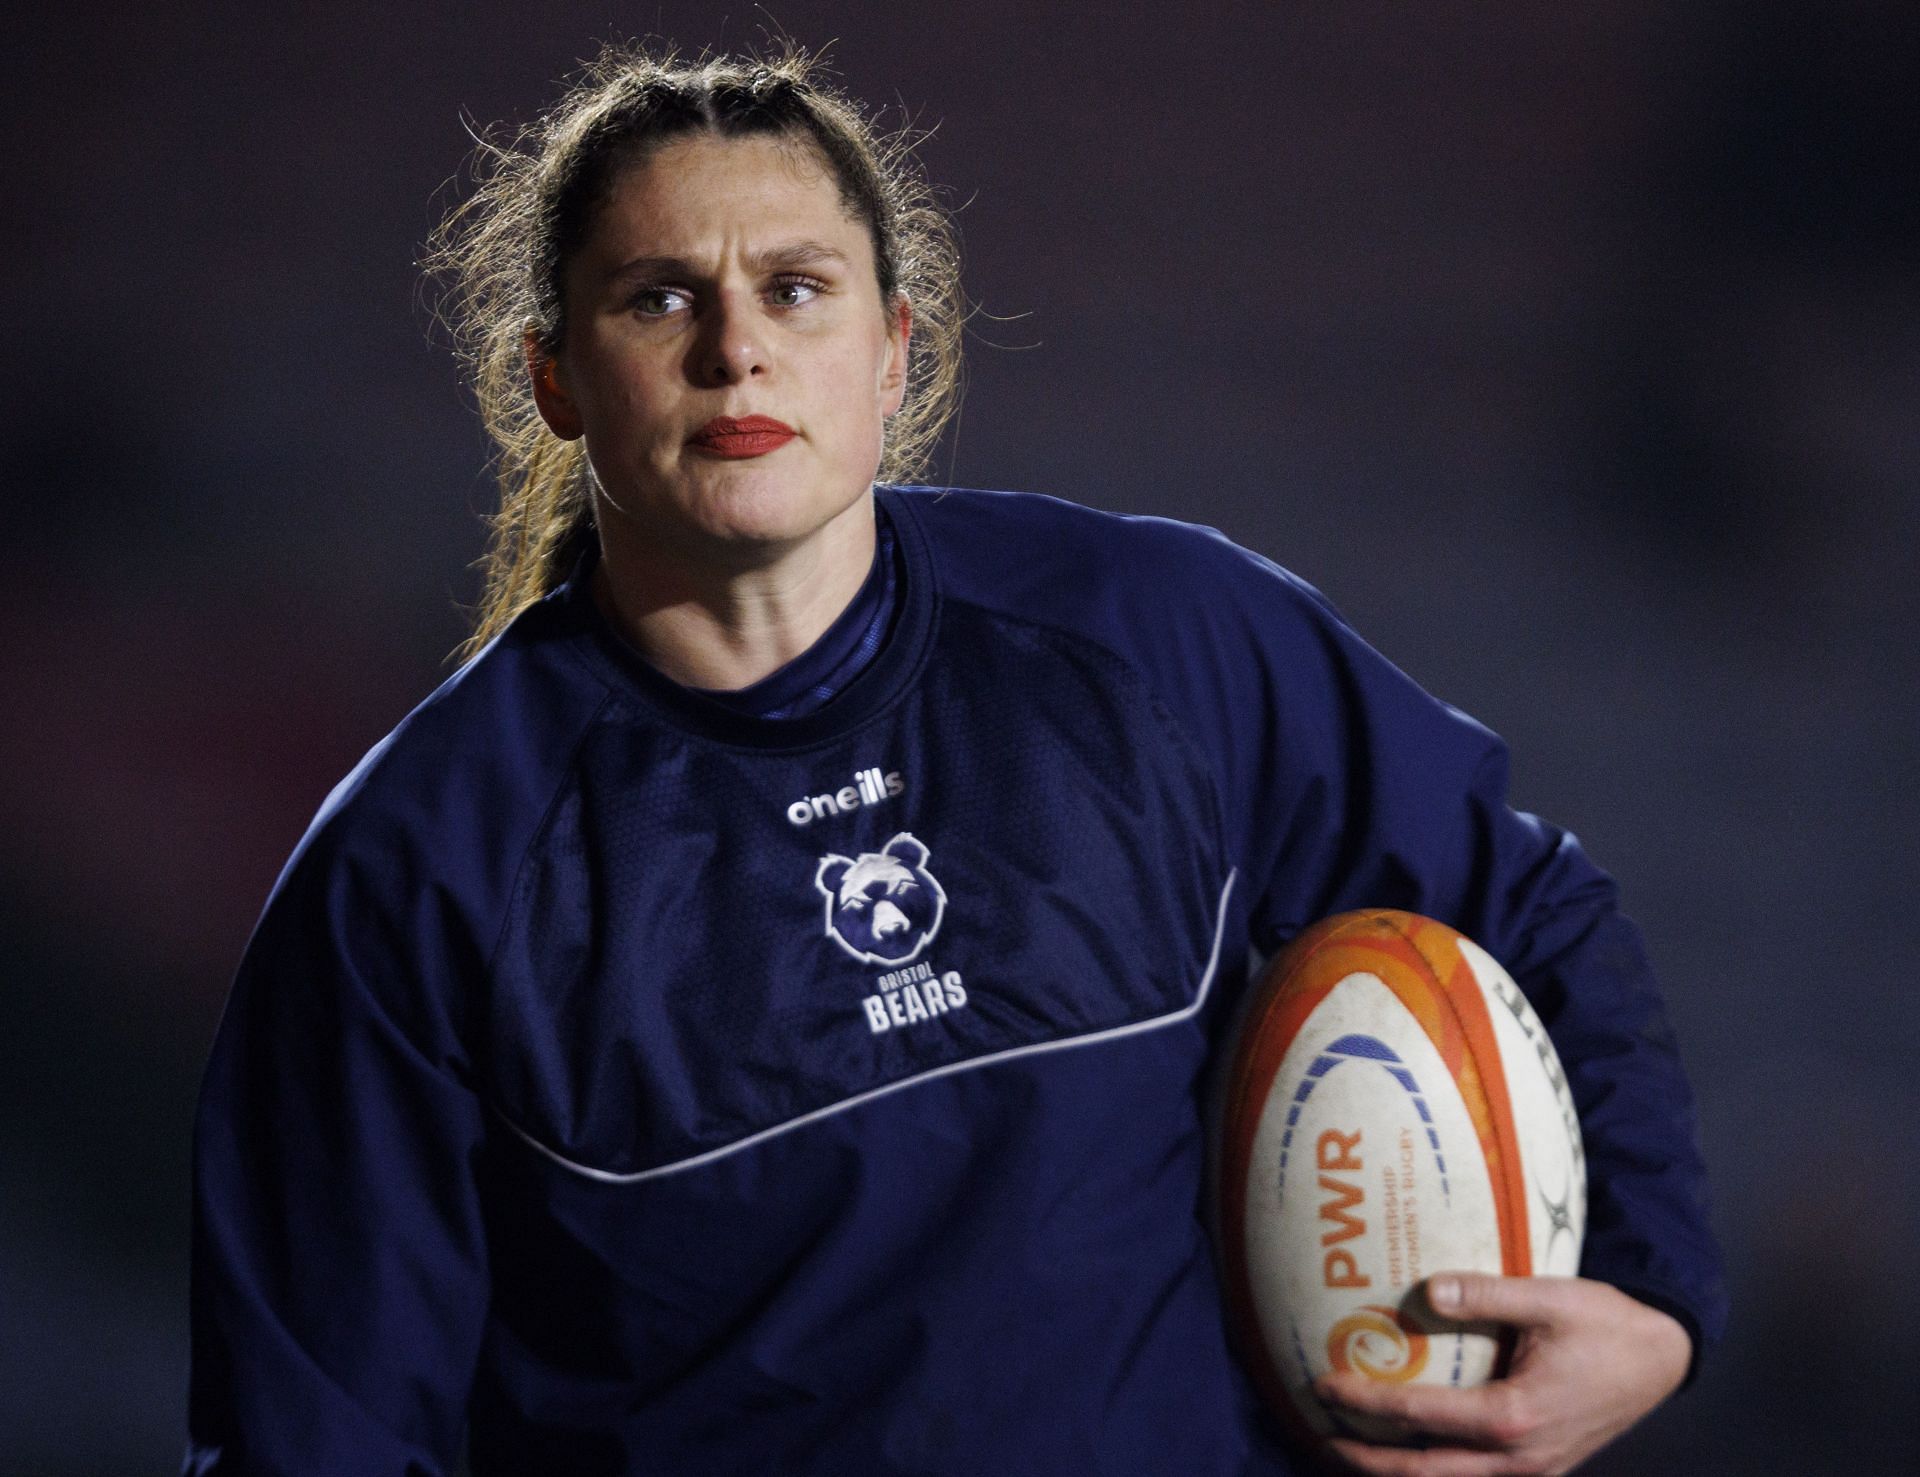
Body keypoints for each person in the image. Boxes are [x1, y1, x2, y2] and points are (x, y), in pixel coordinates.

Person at [184, 44, 1725, 1476]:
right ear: (556, 377)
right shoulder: (419, 864)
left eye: (797, 290)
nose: (736, 349)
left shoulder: (1161, 636)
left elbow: (1527, 903)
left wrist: (1653, 1298)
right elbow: (313, 1429)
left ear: (895, 353)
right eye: (661, 298)